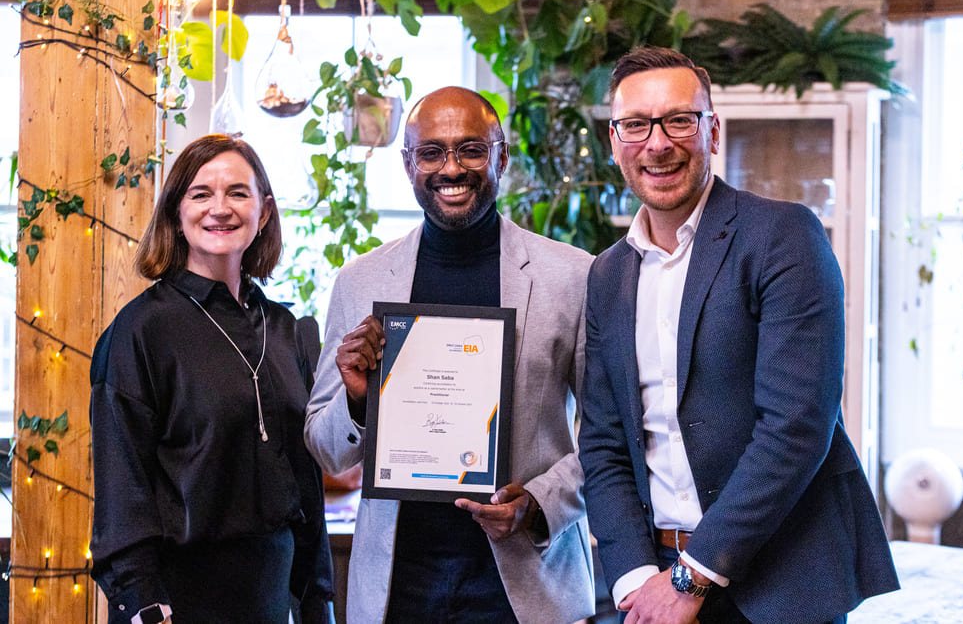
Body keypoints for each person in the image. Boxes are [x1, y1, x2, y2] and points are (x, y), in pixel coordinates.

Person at [577, 46, 899, 624]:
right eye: (636, 125)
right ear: (614, 141)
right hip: (650, 583)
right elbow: (602, 442)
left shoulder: (783, 236)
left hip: (778, 585)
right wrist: (634, 580)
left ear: (712, 132)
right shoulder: (606, 275)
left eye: (679, 120)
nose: (658, 143)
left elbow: (796, 426)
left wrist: (690, 577)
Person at [304, 86, 595, 623]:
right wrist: (357, 401)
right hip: (398, 590)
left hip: (526, 589)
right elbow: (327, 450)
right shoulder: (361, 281)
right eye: (432, 152)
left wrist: (538, 503)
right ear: (408, 163)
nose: (451, 168)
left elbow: (611, 437)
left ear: (501, 156)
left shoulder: (573, 276)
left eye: (471, 150)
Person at [90, 134, 334, 624]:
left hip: (270, 599)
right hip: (175, 601)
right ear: (177, 214)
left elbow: (307, 487)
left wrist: (317, 597)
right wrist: (145, 606)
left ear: (263, 213)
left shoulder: (286, 330)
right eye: (201, 194)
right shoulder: (140, 330)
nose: (219, 209)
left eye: (237, 193)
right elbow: (123, 490)